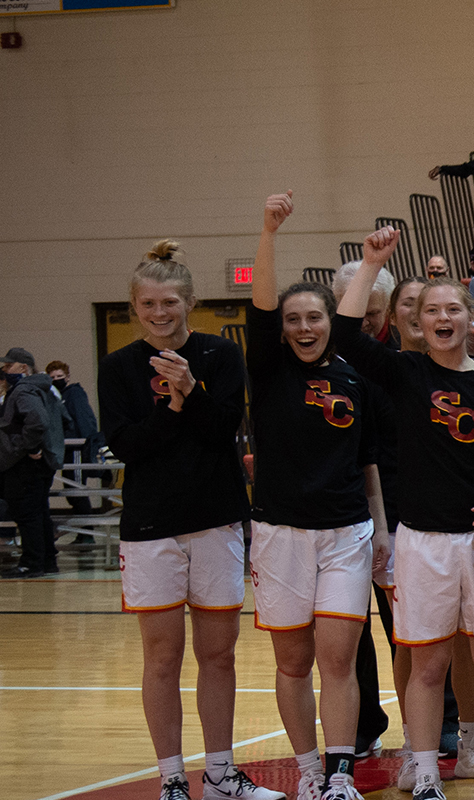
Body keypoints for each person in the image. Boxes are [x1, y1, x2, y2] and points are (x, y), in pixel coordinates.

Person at [334, 227, 474, 800]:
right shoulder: (405, 373)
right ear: (419, 324)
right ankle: (422, 771)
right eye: (431, 311)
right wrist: (369, 264)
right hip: (423, 542)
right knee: (427, 666)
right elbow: (344, 332)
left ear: (469, 319)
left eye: (452, 310)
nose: (442, 318)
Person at [100, 240, 281, 800]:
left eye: (170, 303)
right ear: (134, 308)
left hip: (216, 522)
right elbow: (129, 445)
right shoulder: (119, 367)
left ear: (190, 302)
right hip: (150, 529)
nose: (160, 313)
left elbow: (224, 426)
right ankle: (173, 778)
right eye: (149, 304)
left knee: (218, 654)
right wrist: (174, 404)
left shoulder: (219, 356)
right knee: (161, 657)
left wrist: (191, 390)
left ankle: (222, 774)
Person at [247, 192, 380, 800]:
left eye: (315, 318)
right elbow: (259, 300)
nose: (304, 327)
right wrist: (269, 233)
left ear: (331, 323)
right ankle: (305, 771)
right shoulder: (269, 369)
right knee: (293, 663)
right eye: (294, 319)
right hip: (279, 534)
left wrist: (380, 530)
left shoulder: (353, 371)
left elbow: (370, 462)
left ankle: (339, 775)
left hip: (346, 533)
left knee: (338, 660)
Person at [1, 347, 63, 578]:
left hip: (25, 464)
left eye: (9, 366)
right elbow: (62, 419)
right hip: (43, 462)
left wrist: (32, 446)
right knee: (39, 513)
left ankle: (31, 563)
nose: (5, 370)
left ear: (23, 368)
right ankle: (47, 561)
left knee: (27, 514)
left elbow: (37, 421)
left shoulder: (24, 389)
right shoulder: (45, 388)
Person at [43, 359, 102, 516]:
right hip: (65, 449)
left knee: (76, 489)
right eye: (53, 377)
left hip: (76, 448)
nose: (56, 380)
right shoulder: (53, 397)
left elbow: (84, 419)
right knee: (70, 491)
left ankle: (87, 533)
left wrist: (89, 444)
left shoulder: (74, 394)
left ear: (67, 377)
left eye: (60, 376)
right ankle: (83, 532)